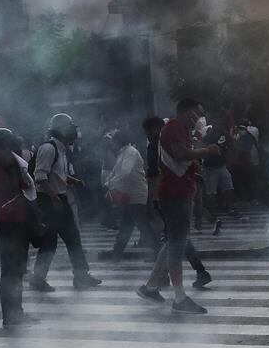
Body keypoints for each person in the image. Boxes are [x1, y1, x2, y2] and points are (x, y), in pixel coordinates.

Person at [142, 99, 218, 315]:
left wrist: (194, 174)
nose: (199, 119)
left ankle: (150, 287)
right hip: (174, 194)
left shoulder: (181, 129)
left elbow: (180, 160)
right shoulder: (174, 127)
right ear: (187, 112)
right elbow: (180, 154)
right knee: (177, 244)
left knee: (174, 242)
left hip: (179, 191)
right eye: (197, 114)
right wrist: (207, 151)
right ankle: (179, 298)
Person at [28, 113, 102, 292]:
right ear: (62, 130)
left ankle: (81, 276)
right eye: (70, 127)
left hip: (58, 198)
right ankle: (37, 279)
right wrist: (54, 198)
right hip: (49, 200)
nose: (74, 131)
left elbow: (55, 173)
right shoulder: (49, 148)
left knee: (73, 239)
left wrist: (70, 180)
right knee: (49, 242)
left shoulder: (61, 149)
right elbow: (40, 177)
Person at [0, 128, 38, 329]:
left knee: (15, 271)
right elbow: (15, 189)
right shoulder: (1, 166)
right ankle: (11, 315)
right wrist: (22, 177)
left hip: (14, 221)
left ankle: (16, 312)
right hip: (11, 222)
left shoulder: (5, 163)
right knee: (11, 273)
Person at [103, 129, 150, 258]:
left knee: (143, 227)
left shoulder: (130, 153)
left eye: (113, 141)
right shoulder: (123, 153)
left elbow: (125, 173)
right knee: (126, 226)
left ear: (119, 141)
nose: (111, 144)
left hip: (136, 194)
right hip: (129, 195)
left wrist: (110, 184)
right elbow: (115, 171)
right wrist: (108, 182)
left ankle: (158, 251)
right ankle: (117, 252)